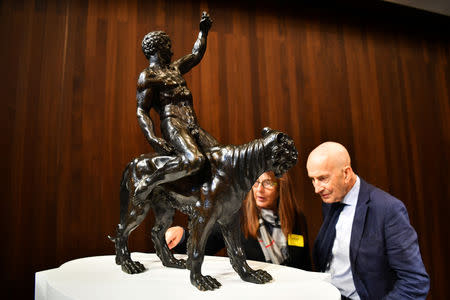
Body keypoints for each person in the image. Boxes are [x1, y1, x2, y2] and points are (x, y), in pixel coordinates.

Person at [306, 142, 429, 299]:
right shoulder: (330, 200)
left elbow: (415, 282)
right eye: (313, 180)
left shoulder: (388, 210)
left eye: (322, 178)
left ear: (346, 173)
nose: (317, 189)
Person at [135, 12, 219, 194]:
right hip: (173, 124)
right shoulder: (148, 76)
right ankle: (152, 180)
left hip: (192, 124)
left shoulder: (175, 68)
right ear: (157, 49)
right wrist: (152, 137)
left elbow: (196, 54)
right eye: (168, 46)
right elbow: (142, 110)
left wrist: (203, 33)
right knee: (195, 159)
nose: (172, 51)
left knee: (221, 157)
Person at [165, 171, 312, 270]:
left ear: (281, 187)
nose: (259, 190)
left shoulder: (296, 218)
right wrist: (183, 236)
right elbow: (207, 241)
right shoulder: (236, 216)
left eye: (267, 183)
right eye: (256, 182)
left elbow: (304, 265)